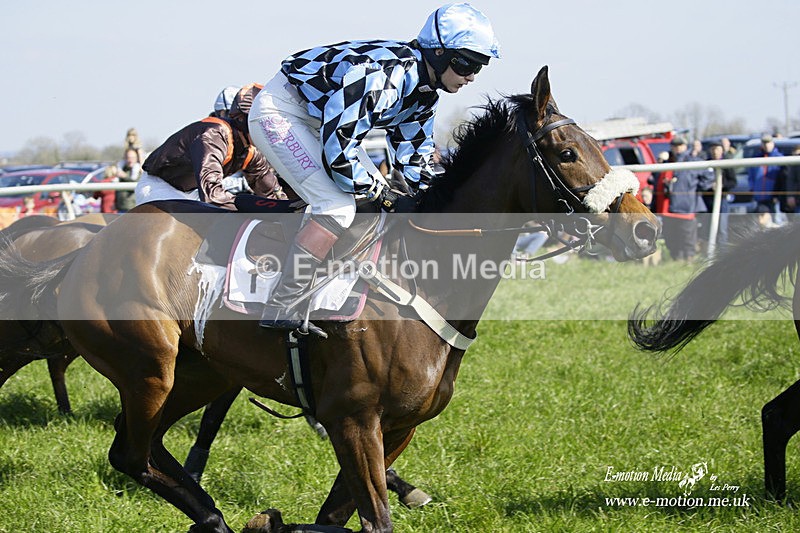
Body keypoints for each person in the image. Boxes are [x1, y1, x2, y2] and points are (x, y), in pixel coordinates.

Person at [249, 2, 500, 333]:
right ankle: (284, 302)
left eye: (479, 67)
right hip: (283, 112)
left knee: (384, 197)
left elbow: (415, 161)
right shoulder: (383, 76)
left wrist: (433, 200)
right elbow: (339, 150)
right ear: (438, 53)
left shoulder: (424, 94)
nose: (470, 75)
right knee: (338, 205)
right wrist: (382, 195)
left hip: (322, 122)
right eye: (466, 63)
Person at [136, 84, 286, 209]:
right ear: (244, 120)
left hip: (194, 192)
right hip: (160, 188)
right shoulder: (213, 135)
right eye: (264, 125)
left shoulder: (251, 151)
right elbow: (212, 195)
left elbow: (272, 194)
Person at [660, 136, 714, 261]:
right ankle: (676, 263)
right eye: (674, 146)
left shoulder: (693, 162)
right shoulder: (667, 163)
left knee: (688, 239)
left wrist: (699, 188)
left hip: (687, 208)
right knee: (672, 240)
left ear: (685, 146)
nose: (677, 148)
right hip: (668, 208)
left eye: (680, 145)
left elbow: (708, 177)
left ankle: (689, 261)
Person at [698, 140, 737, 245]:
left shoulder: (727, 164)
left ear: (722, 150)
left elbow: (733, 182)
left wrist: (721, 186)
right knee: (706, 227)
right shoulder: (706, 163)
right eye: (713, 149)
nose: (715, 151)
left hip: (722, 200)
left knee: (721, 228)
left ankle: (722, 252)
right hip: (707, 201)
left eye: (717, 149)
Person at [747, 134, 785, 214]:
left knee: (776, 221)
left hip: (774, 198)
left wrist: (778, 194)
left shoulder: (780, 159)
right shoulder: (756, 159)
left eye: (769, 143)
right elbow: (751, 176)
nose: (767, 145)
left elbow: (782, 179)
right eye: (764, 143)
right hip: (758, 197)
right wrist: (752, 189)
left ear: (773, 143)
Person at [115, 147, 143, 213]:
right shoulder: (121, 168)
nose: (130, 160)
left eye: (132, 158)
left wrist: (125, 176)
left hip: (133, 207)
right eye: (128, 157)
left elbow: (137, 183)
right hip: (120, 207)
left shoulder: (139, 171)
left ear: (137, 158)